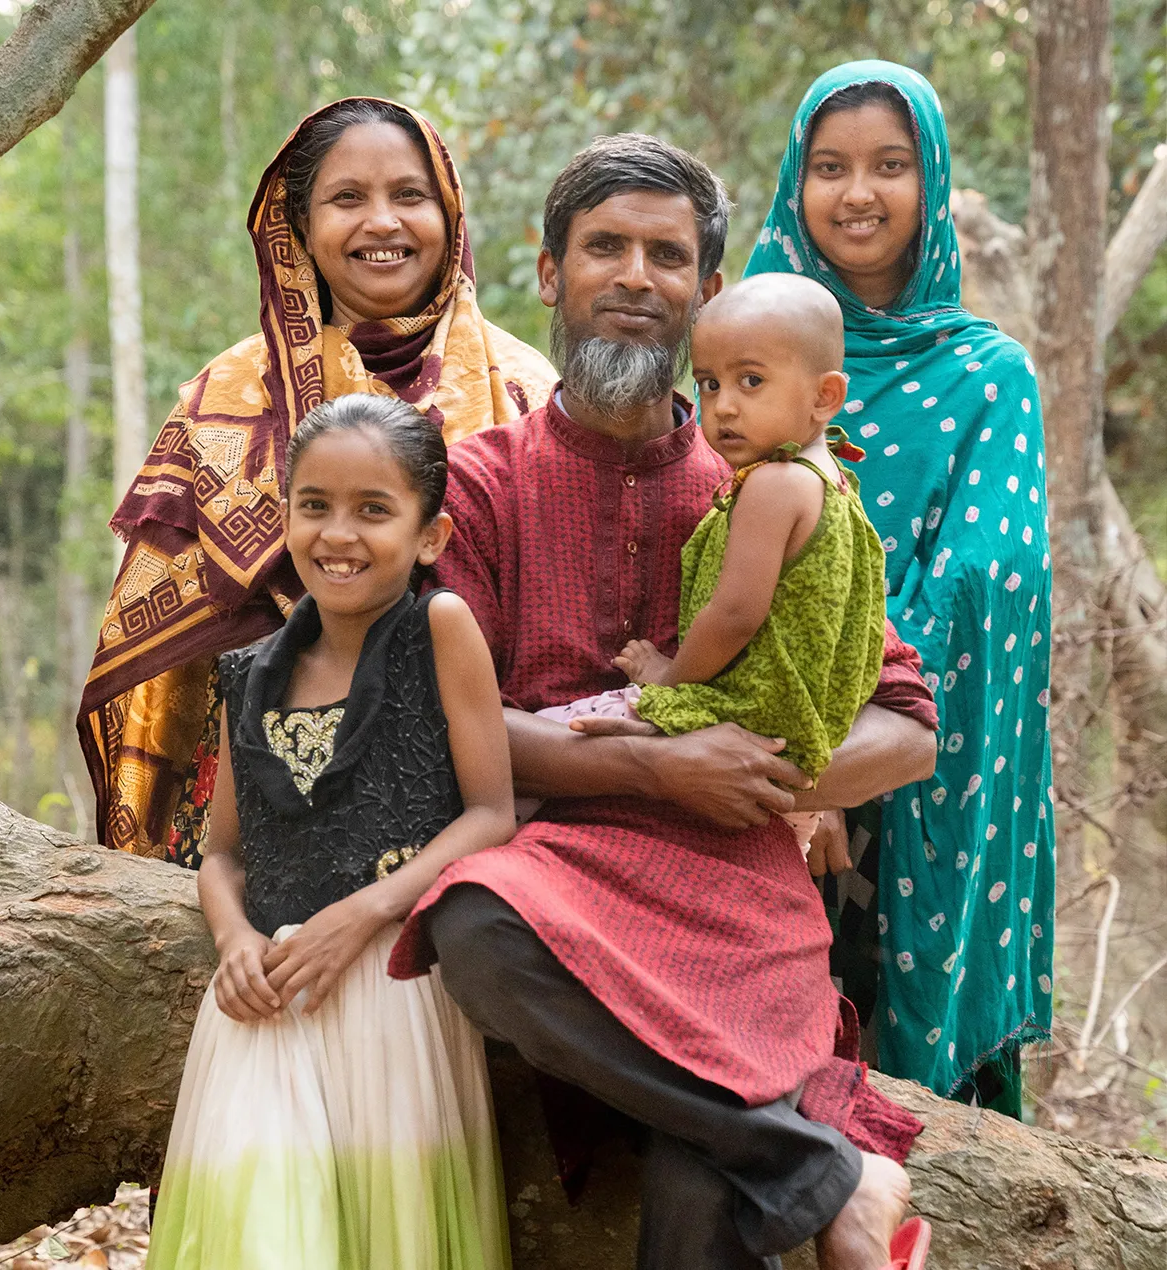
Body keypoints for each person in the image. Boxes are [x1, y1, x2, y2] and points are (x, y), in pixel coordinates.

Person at [388, 133, 938, 1270]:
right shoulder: (477, 484)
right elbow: (447, 725)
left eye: (669, 256)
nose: (636, 277)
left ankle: (782, 1159)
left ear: (709, 292)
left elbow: (908, 729)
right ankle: (827, 1172)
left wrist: (772, 766)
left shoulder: (782, 490)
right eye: (604, 248)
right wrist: (656, 765)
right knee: (471, 925)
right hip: (556, 872)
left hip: (737, 886)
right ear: (550, 274)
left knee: (701, 1174)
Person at [79, 98, 556, 864]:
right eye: (347, 198)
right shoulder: (226, 395)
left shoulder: (527, 391)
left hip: (488, 800)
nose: (383, 222)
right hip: (261, 806)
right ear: (300, 224)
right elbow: (162, 657)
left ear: (450, 212)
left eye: (410, 195)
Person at [745, 61, 1055, 1117]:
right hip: (751, 758)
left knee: (907, 1094)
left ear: (933, 183)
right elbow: (712, 541)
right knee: (755, 1058)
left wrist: (840, 761)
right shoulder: (749, 350)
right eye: (829, 167)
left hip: (911, 761)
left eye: (890, 165)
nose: (858, 193)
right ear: (796, 183)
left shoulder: (989, 374)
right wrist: (794, 769)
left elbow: (985, 578)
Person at [146, 394, 515, 1270]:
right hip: (266, 1004)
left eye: (373, 510)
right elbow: (222, 853)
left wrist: (366, 911)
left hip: (392, 996)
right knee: (262, 1238)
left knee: (384, 1235)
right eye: (314, 505)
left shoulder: (439, 629)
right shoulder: (247, 672)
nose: (338, 534)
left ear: (430, 535)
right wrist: (234, 940)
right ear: (286, 517)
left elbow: (490, 814)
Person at [528, 273, 886, 859]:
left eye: (752, 381)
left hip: (736, 718)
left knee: (550, 737)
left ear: (825, 396)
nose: (723, 407)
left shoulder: (774, 485)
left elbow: (735, 614)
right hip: (796, 748)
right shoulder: (837, 485)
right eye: (709, 384)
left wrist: (669, 678)